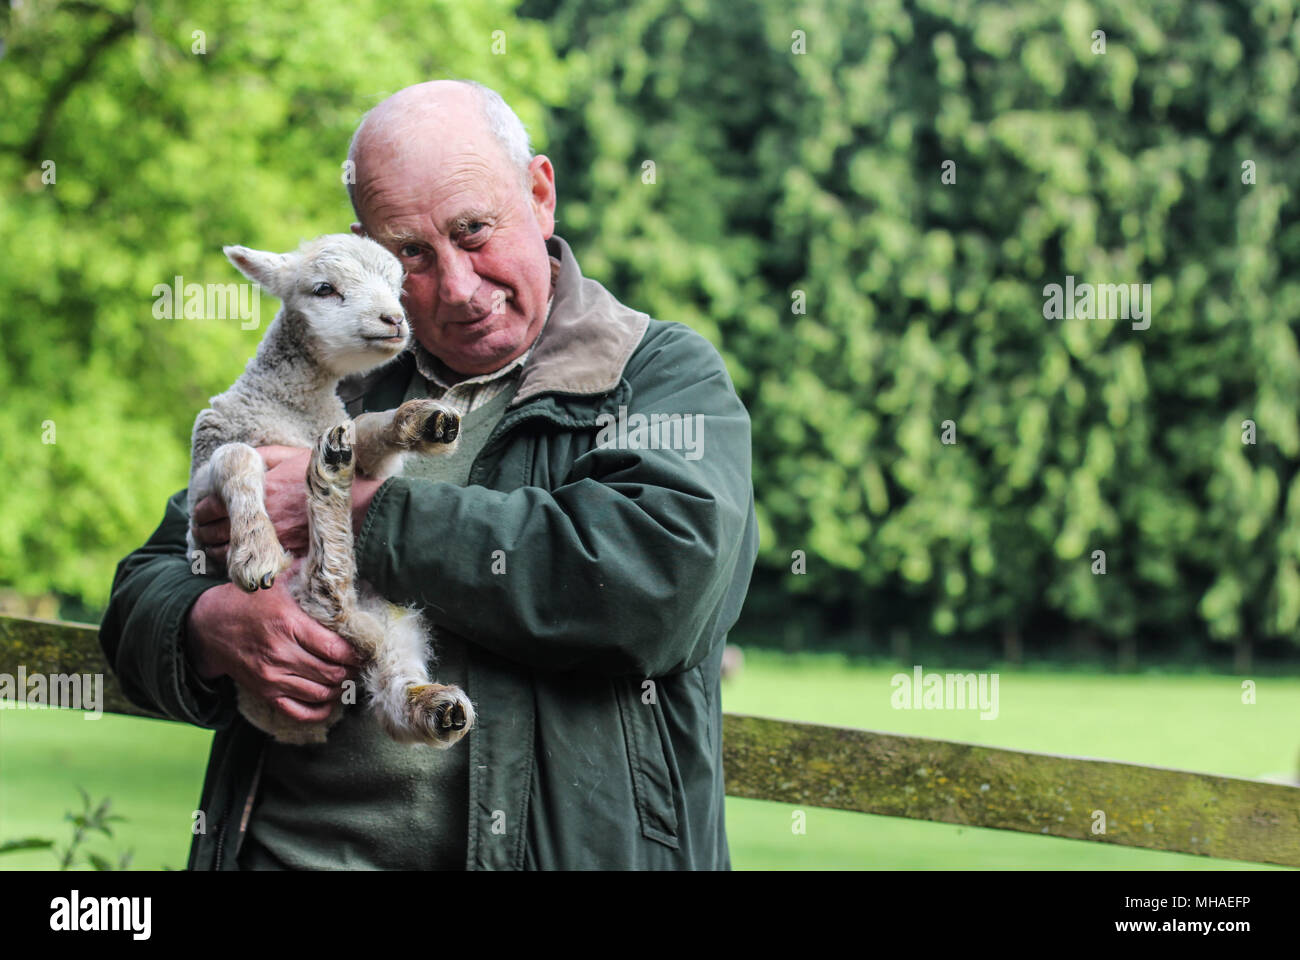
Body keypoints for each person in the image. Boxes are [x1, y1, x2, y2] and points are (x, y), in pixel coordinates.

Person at [98, 78, 759, 870]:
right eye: (410, 252)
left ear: (540, 193)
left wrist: (346, 511)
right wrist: (209, 628)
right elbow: (144, 588)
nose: (455, 287)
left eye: (474, 231)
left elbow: (656, 586)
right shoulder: (335, 378)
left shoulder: (657, 376)